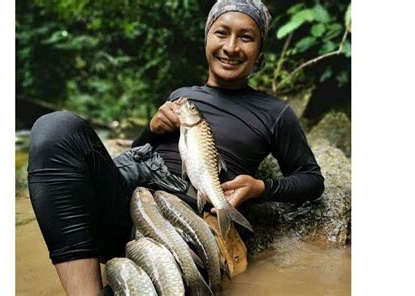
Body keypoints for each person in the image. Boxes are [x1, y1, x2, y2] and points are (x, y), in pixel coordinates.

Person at [27, 1, 324, 295]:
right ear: (207, 36)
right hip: (126, 196)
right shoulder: (182, 96)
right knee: (54, 127)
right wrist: (151, 129)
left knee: (164, 272)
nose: (231, 47)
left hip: (185, 217)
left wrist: (261, 187)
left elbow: (312, 180)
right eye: (222, 33)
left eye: (246, 37)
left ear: (260, 50)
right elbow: (139, 150)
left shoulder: (275, 113)